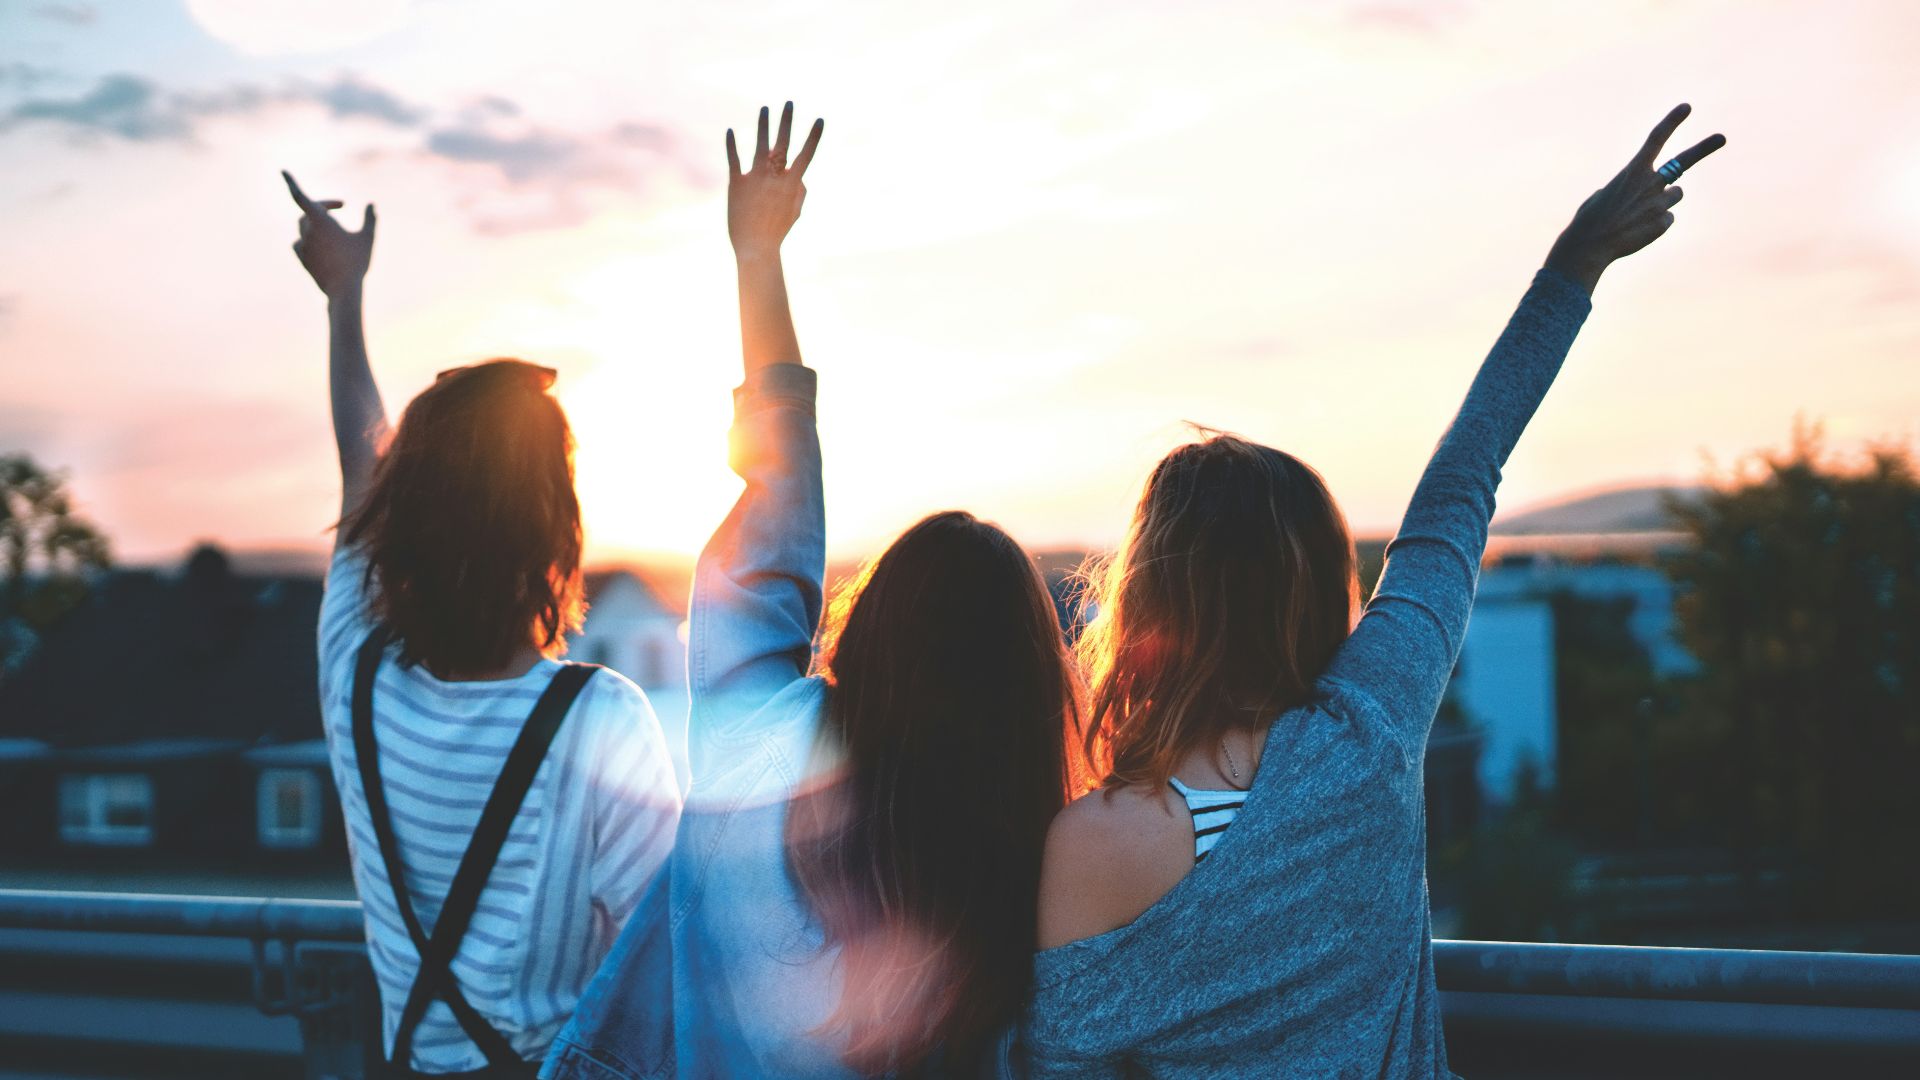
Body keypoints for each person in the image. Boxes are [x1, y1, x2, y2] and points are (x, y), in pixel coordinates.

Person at [1025, 106, 1727, 1078]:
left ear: (1148, 596)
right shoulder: (1369, 729)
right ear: (1312, 589)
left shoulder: (1092, 842)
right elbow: (1460, 485)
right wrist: (1574, 265)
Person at [545, 103, 1084, 1080]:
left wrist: (757, 255)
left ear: (871, 630)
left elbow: (778, 509)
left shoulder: (763, 747)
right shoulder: (1036, 874)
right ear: (1027, 685)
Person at [287, 171, 683, 1077]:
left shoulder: (354, 670)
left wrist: (344, 299)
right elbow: (662, 964)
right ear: (554, 530)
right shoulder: (600, 722)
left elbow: (361, 464)